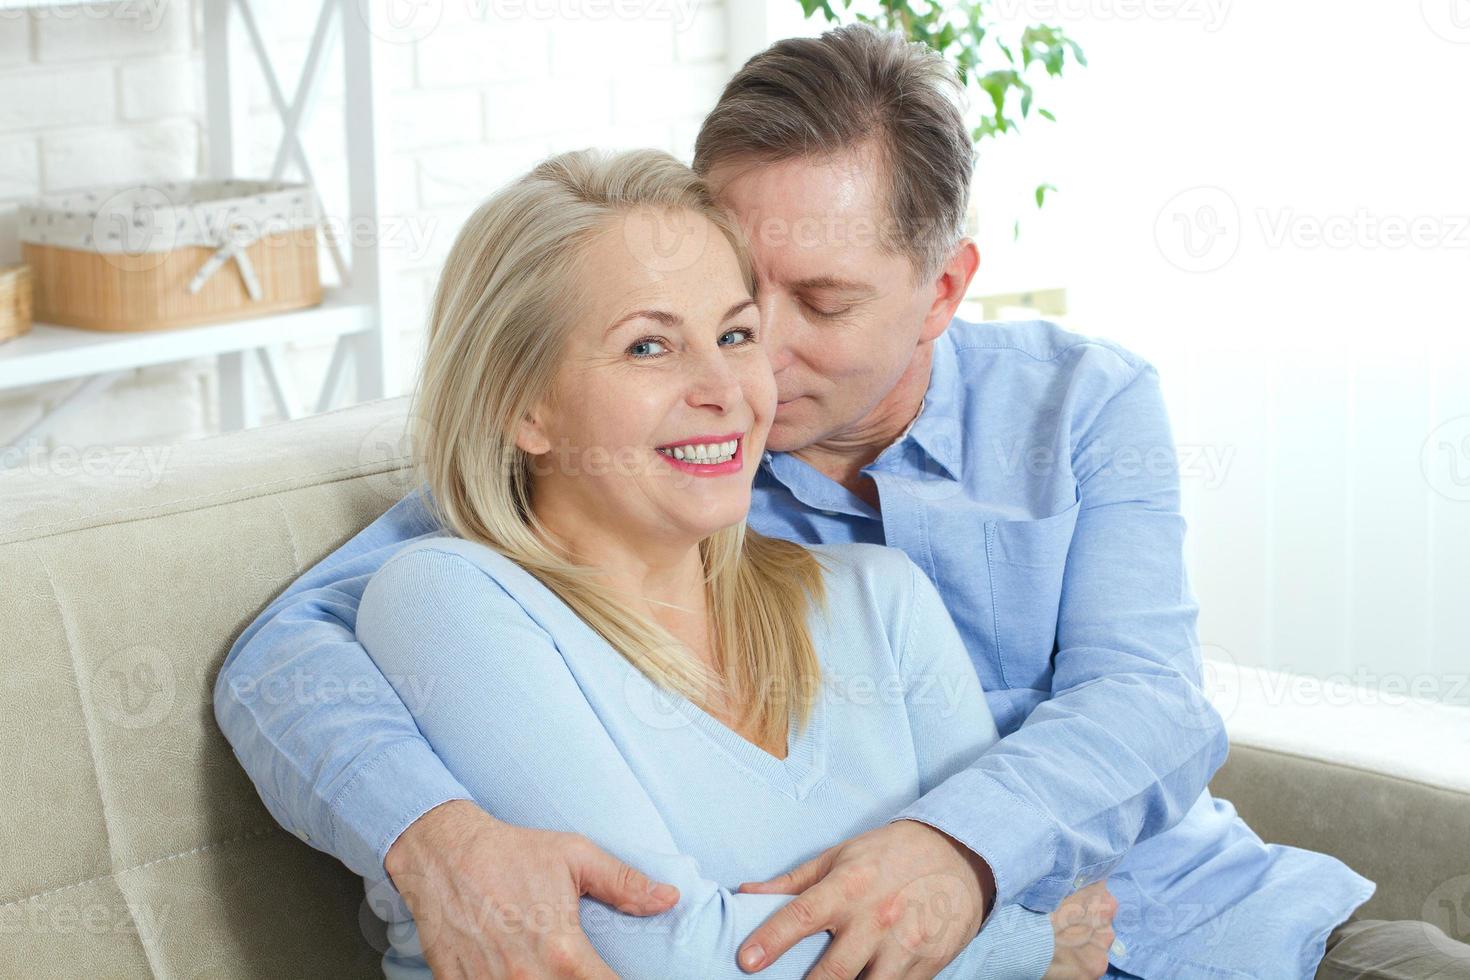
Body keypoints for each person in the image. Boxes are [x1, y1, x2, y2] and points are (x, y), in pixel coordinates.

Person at [216, 22, 1470, 980]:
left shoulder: (1078, 404)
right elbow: (290, 645)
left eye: (808, 308)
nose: (748, 363)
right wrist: (427, 835)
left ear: (943, 288)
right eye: (726, 302)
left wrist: (959, 857)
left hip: (1224, 929)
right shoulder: (640, 476)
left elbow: (1147, 701)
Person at [346, 145, 1113, 978]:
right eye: (648, 347)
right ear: (521, 406)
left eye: (735, 333)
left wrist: (1009, 923)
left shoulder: (881, 603)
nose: (725, 386)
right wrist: (1027, 948)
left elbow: (1013, 876)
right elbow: (676, 965)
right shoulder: (448, 601)